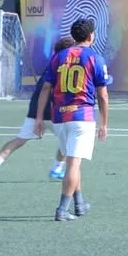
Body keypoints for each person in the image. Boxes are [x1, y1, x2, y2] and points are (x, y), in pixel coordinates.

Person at [33, 18, 111, 222]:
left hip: (59, 117)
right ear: (91, 36)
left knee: (72, 162)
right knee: (73, 164)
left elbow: (46, 88)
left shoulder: (59, 57)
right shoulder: (95, 58)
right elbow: (102, 95)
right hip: (81, 117)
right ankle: (62, 209)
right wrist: (104, 122)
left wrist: (39, 118)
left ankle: (79, 204)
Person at [0, 37, 74, 185]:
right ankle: (56, 169)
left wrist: (38, 116)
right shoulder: (65, 67)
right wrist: (41, 118)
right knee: (70, 141)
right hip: (53, 112)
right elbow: (48, 91)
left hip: (35, 109)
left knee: (19, 141)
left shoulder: (51, 64)